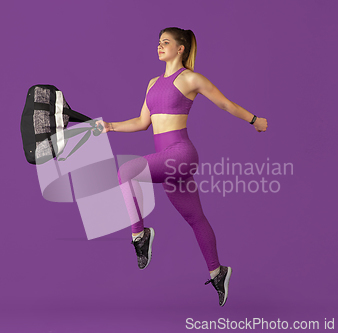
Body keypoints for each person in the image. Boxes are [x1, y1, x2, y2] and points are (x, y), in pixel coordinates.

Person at [95, 27, 268, 307]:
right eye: (159, 43)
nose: (160, 46)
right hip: (167, 159)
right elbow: (142, 122)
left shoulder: (190, 79)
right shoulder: (152, 84)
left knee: (127, 172)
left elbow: (224, 104)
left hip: (181, 154)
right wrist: (111, 126)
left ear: (181, 49)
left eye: (166, 42)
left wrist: (254, 120)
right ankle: (217, 271)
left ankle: (140, 235)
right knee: (195, 218)